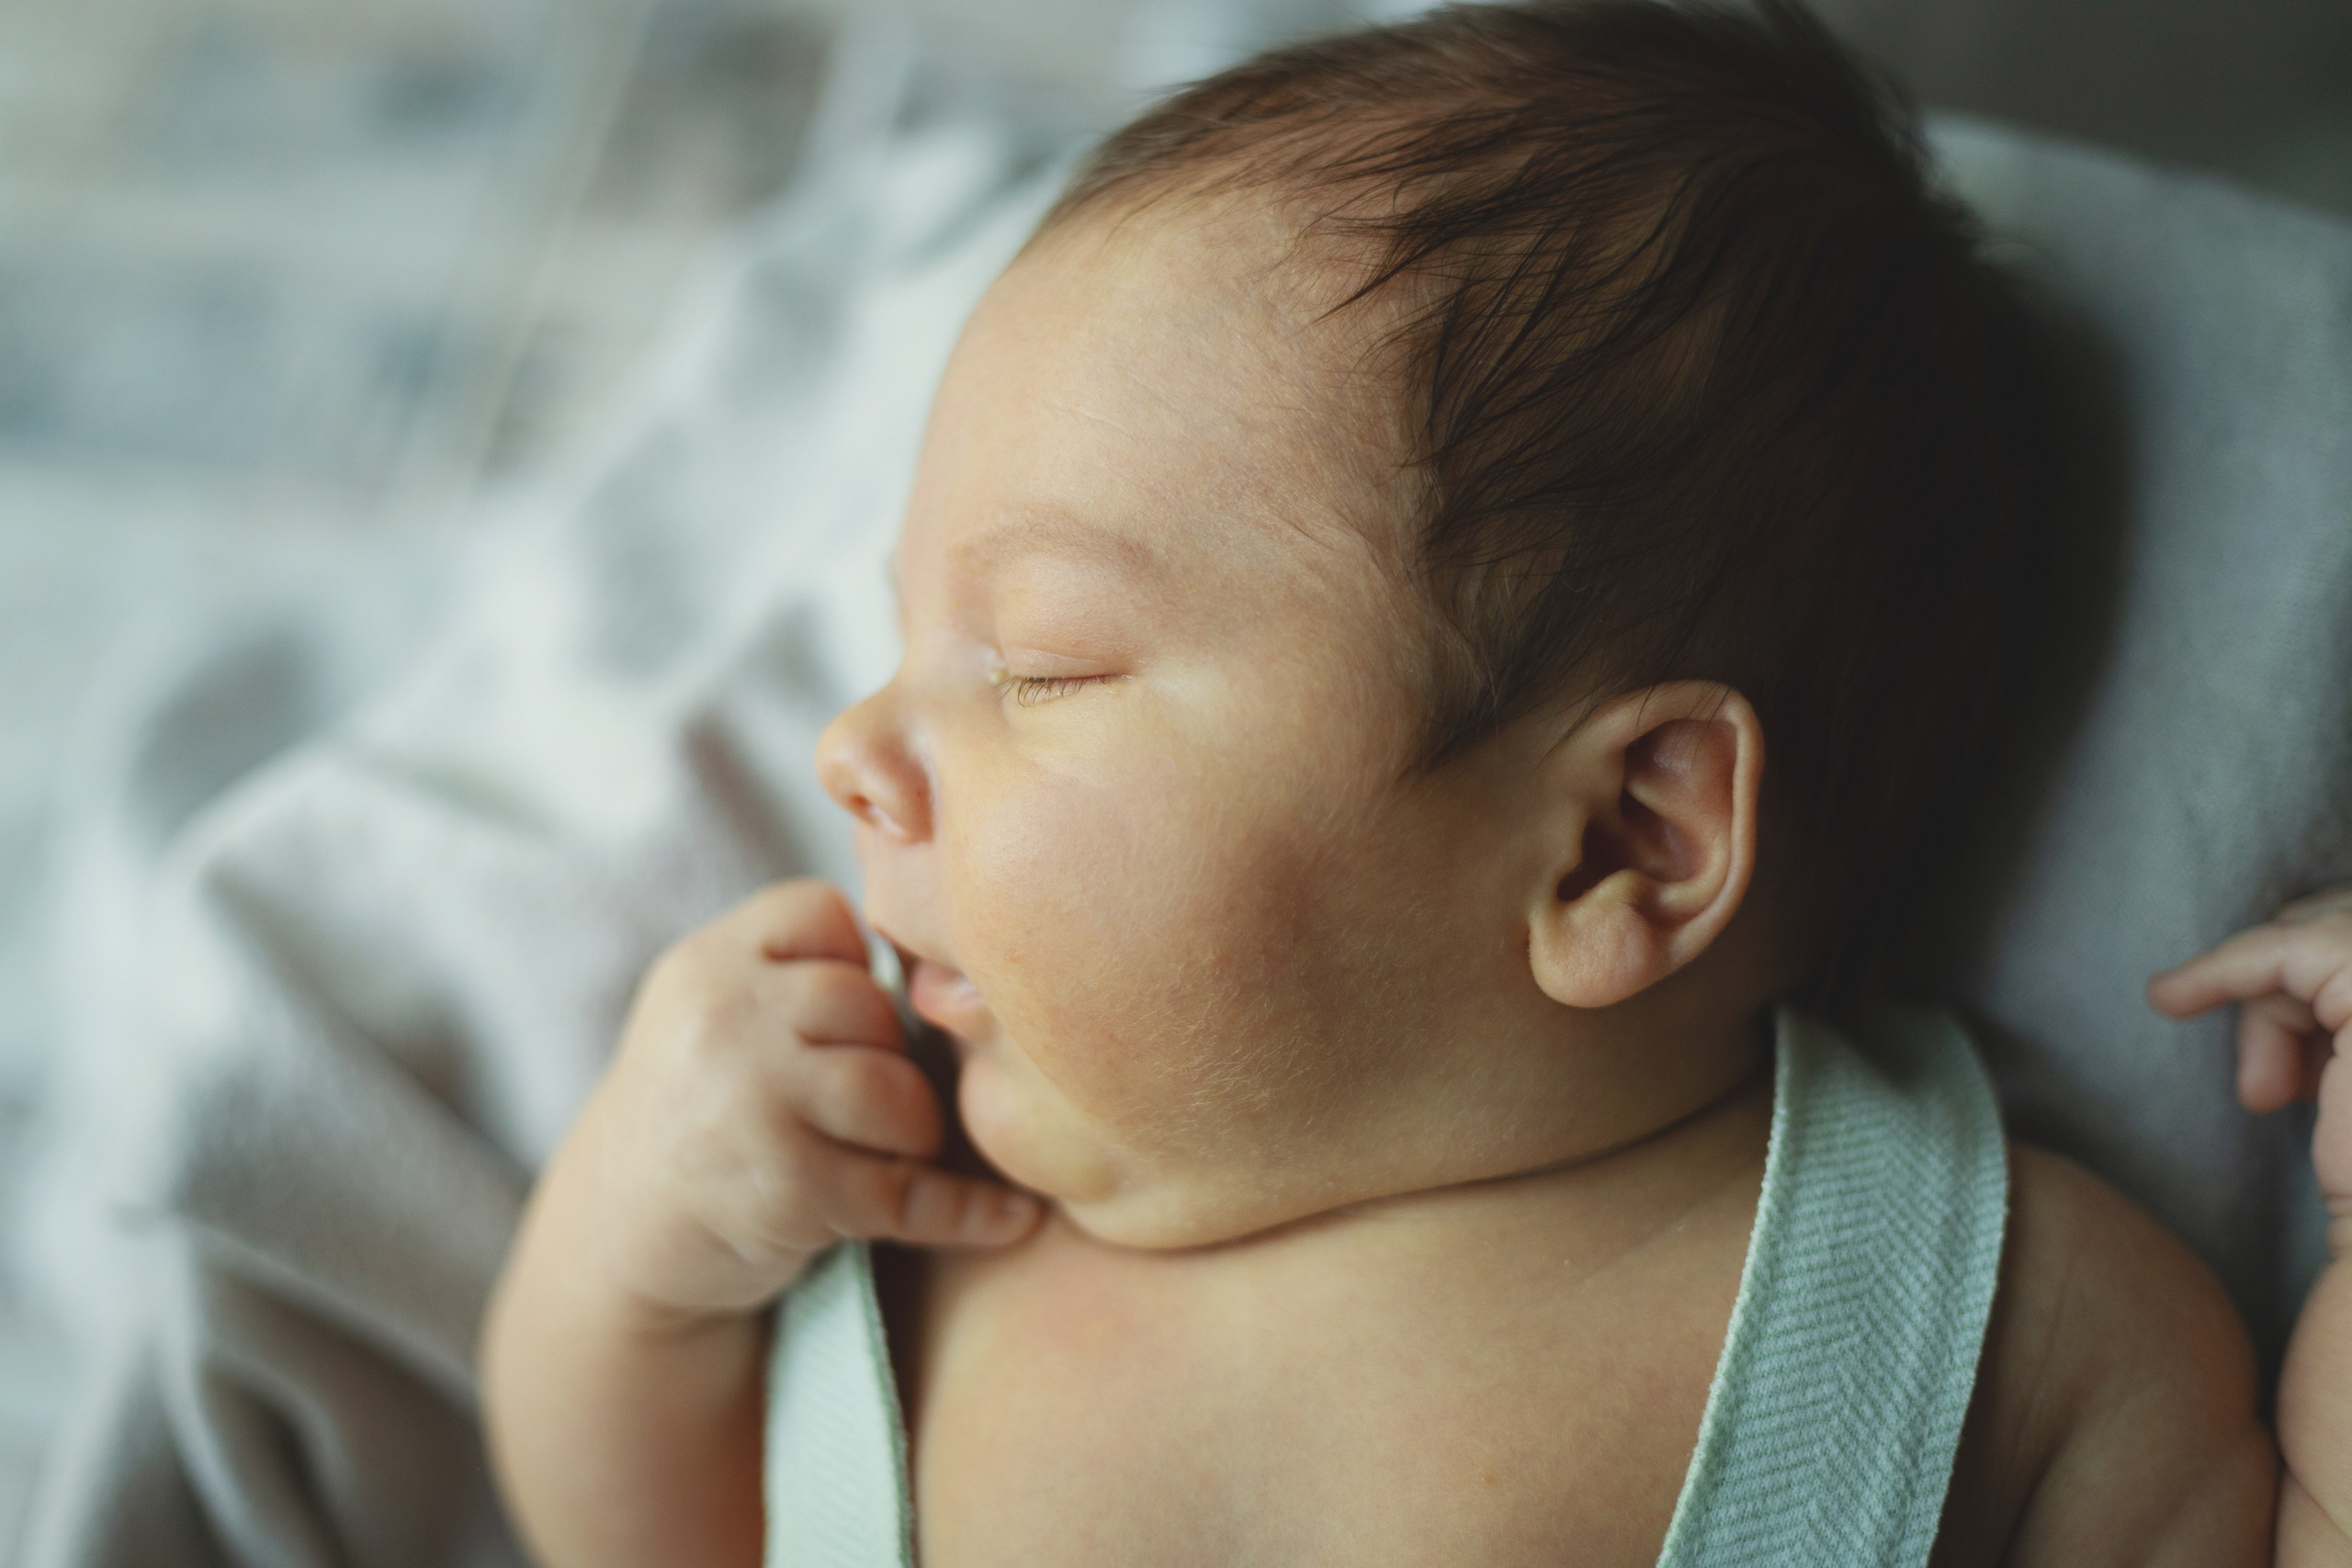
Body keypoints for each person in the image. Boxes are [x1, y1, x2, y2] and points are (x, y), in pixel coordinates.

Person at [475, 2, 2330, 1562]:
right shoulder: (894, 1222)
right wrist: (632, 1256)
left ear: (1620, 840)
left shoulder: (1982, 1319)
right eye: (903, 639)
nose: (850, 746)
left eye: (1039, 664)